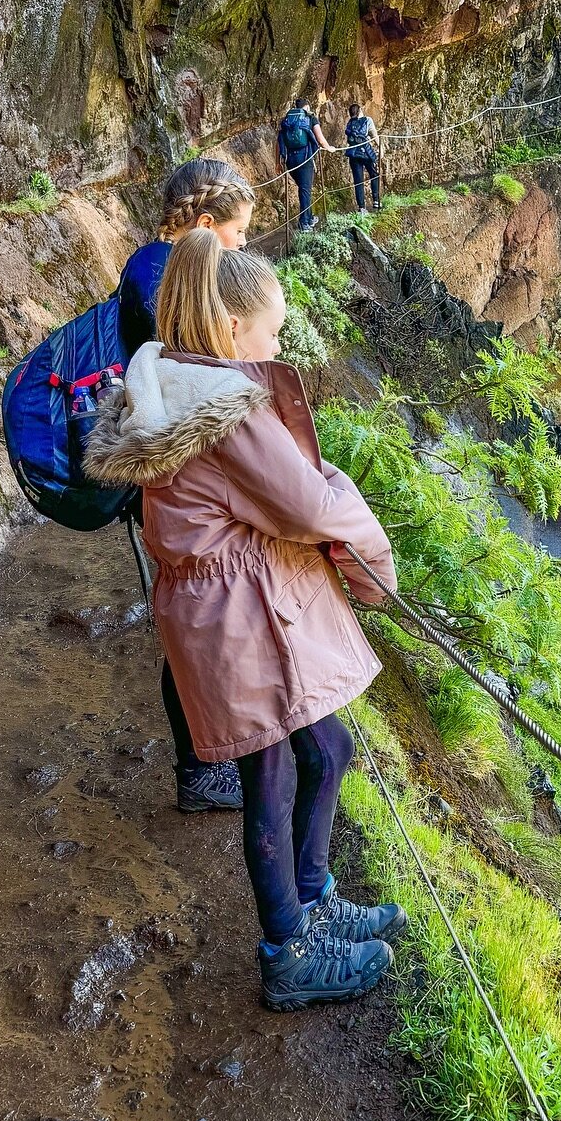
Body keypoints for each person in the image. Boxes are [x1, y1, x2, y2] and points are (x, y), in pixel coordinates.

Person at [86, 231, 405, 1010]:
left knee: (321, 747)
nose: (279, 342)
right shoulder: (227, 408)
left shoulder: (176, 380)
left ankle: (311, 900)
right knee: (277, 768)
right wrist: (370, 550)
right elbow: (305, 503)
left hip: (227, 609)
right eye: (275, 330)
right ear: (234, 332)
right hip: (242, 616)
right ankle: (288, 948)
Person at [115, 158, 256, 815]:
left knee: (192, 620)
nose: (243, 246)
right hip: (175, 475)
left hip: (173, 469)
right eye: (239, 233)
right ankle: (202, 770)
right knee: (192, 626)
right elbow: (181, 372)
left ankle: (208, 762)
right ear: (206, 225)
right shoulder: (160, 276)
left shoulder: (151, 265)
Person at [276, 99, 330, 232]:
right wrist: (329, 148)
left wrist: (278, 162)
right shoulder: (310, 118)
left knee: (303, 189)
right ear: (307, 106)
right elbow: (320, 139)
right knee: (305, 190)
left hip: (290, 160)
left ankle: (310, 217)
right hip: (306, 158)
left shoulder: (286, 120)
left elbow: (279, 142)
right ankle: (304, 223)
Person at [342, 101, 382, 212]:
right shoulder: (367, 120)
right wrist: (381, 148)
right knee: (374, 174)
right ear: (359, 111)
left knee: (358, 180)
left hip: (353, 154)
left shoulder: (349, 123)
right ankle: (376, 201)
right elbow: (374, 135)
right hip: (365, 153)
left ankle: (361, 208)